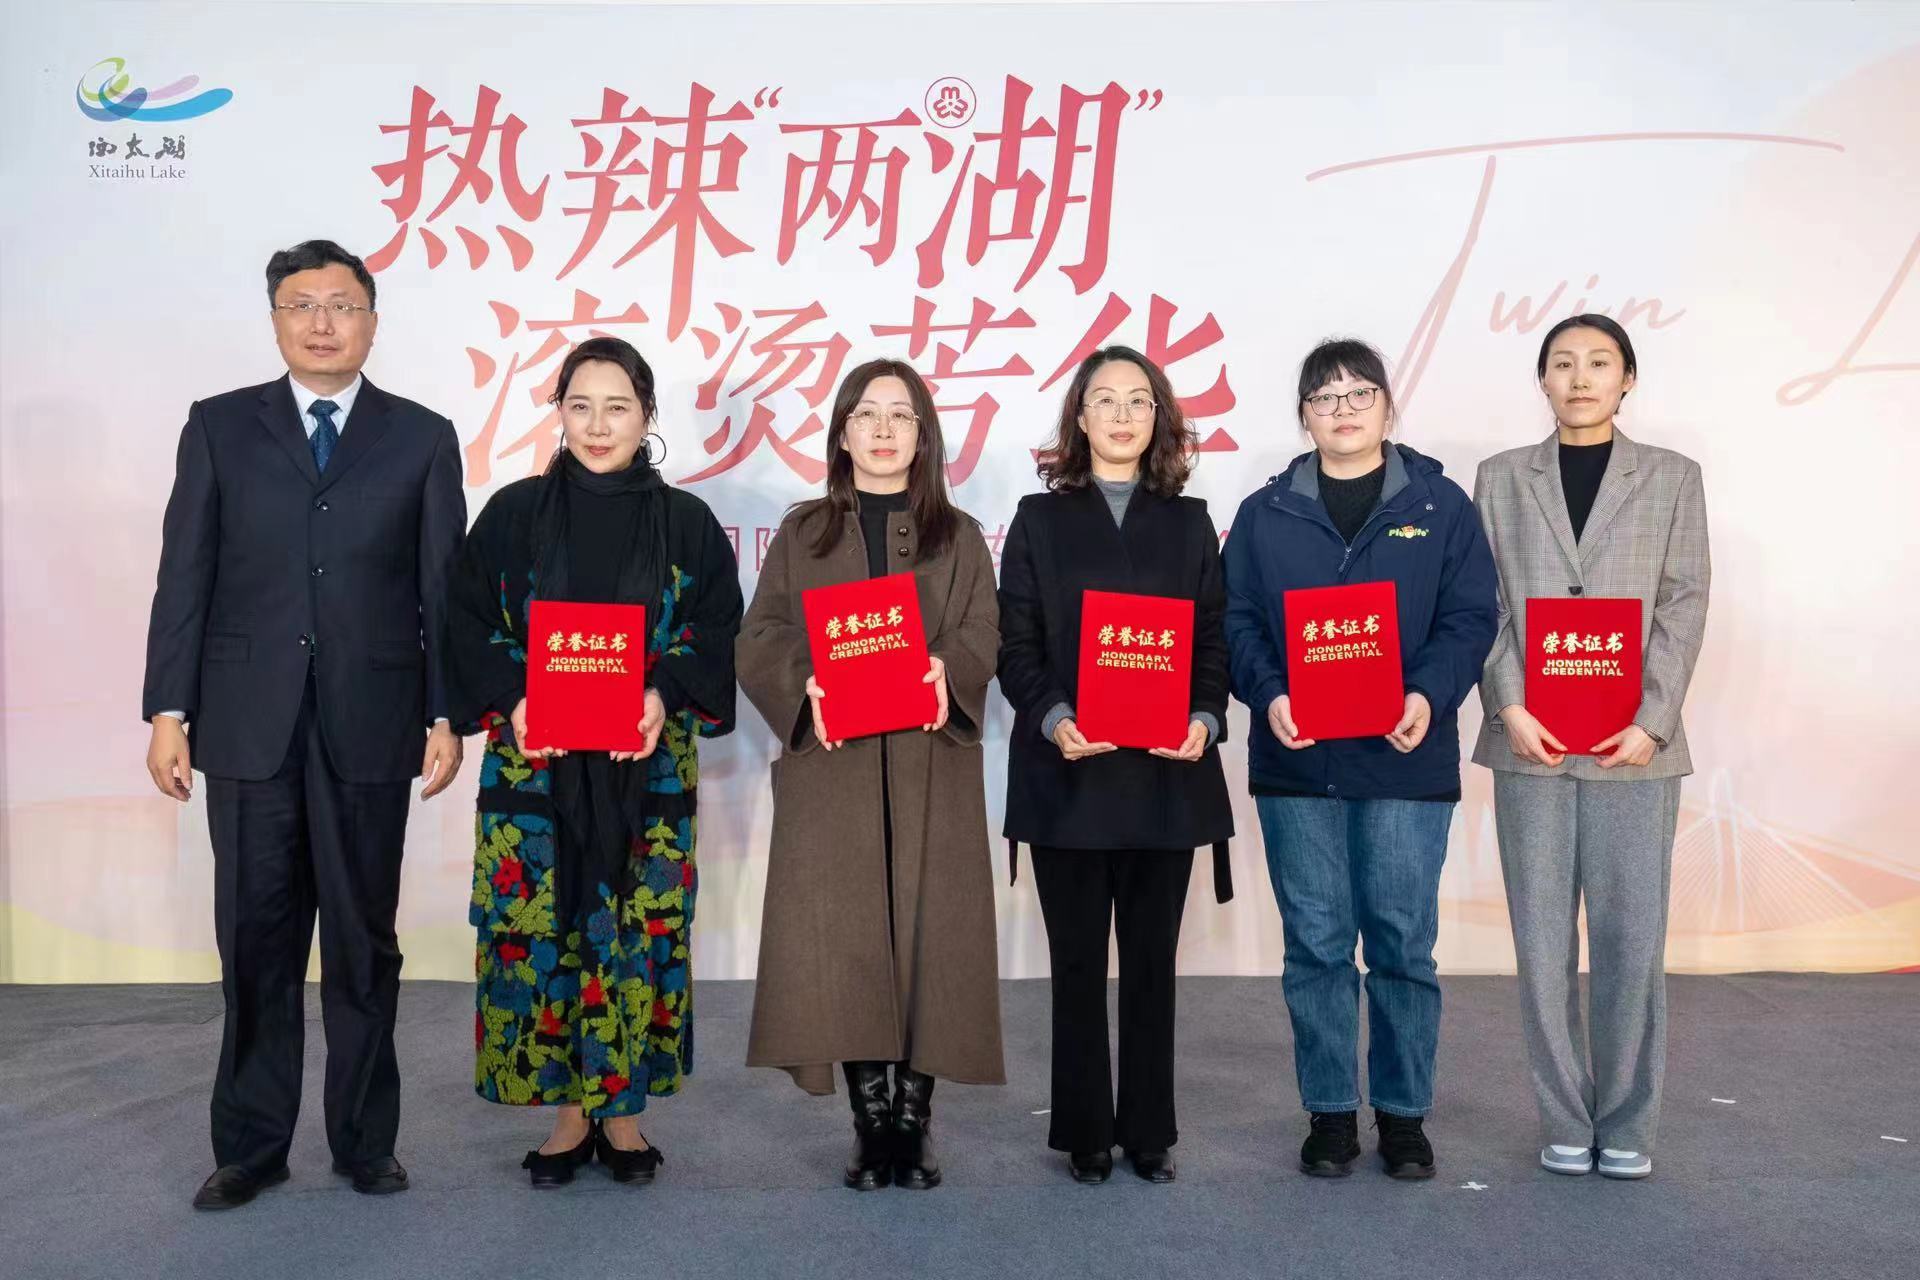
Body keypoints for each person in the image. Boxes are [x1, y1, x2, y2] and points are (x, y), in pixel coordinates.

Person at [142, 239, 467, 1209]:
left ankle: (366, 1141)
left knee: (365, 941)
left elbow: (442, 588)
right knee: (255, 940)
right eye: (302, 304)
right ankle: (251, 1146)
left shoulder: (422, 436)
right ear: (276, 319)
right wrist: (169, 710)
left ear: (373, 320)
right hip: (246, 724)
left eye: (341, 305)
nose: (322, 322)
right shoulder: (219, 426)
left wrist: (447, 711)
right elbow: (185, 575)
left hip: (374, 720)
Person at [444, 336, 741, 1188]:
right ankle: (568, 1115)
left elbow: (716, 626)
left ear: (647, 417)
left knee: (638, 933)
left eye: (618, 407)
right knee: (543, 929)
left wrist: (662, 694)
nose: (599, 425)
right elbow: (468, 618)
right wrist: (514, 696)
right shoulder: (512, 516)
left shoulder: (686, 523)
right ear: (560, 414)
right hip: (535, 767)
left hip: (644, 764)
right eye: (580, 406)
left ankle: (624, 1114)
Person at [1223, 337, 1497, 1181]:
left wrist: (1428, 695)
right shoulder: (1265, 514)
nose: (1342, 410)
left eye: (1358, 393)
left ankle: (1405, 1116)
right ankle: (1332, 1112)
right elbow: (1236, 621)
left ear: (1387, 405)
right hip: (1297, 764)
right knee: (1316, 945)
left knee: (1403, 944)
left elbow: (1471, 617)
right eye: (1324, 397)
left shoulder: (1441, 506)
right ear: (1303, 415)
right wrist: (1269, 693)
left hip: (1404, 761)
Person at [739, 360, 1004, 1191]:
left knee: (931, 934)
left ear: (924, 436)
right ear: (842, 432)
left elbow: (985, 628)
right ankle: (870, 1121)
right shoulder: (804, 533)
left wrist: (949, 666)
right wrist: (804, 684)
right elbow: (760, 635)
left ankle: (913, 1123)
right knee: (847, 935)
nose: (884, 430)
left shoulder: (959, 536)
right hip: (837, 765)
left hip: (930, 761)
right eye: (866, 414)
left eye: (901, 416)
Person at [1472, 314, 1709, 1180]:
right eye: (1563, 363)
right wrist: (1508, 704)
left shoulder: (1673, 476)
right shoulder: (1501, 477)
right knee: (1542, 947)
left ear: (1627, 378)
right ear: (1542, 379)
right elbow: (1485, 602)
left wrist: (1653, 719)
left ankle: (1630, 1123)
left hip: (1634, 748)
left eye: (1599, 363)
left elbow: (1684, 600)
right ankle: (1564, 1117)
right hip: (1530, 744)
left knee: (1630, 943)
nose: (1580, 378)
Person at [996, 345, 1234, 1186]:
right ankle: (1085, 1131)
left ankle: (1149, 1129)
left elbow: (1213, 641)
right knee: (1074, 966)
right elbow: (1015, 644)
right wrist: (1054, 717)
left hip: (1166, 775)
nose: (1123, 415)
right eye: (1105, 399)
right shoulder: (1039, 518)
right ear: (1080, 416)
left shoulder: (1190, 520)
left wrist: (1205, 717)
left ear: (1159, 418)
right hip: (1069, 774)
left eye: (1139, 400)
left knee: (1151, 966)